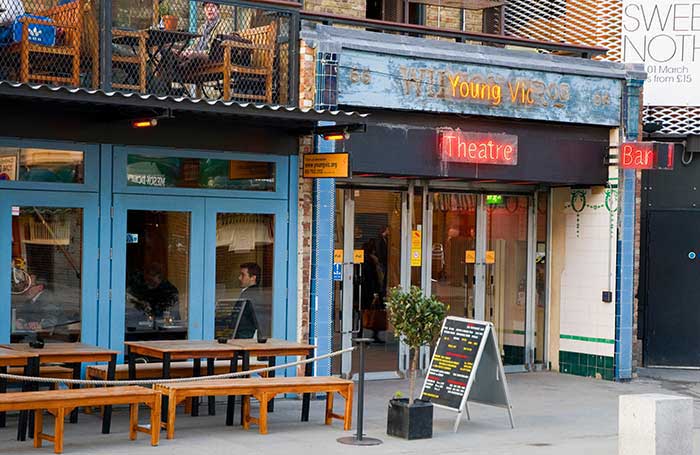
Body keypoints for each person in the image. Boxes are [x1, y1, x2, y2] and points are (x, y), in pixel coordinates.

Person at [236, 262, 262, 339]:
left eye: (243, 275)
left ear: (253, 278)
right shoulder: (250, 293)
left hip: (245, 337)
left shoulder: (251, 295)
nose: (239, 278)